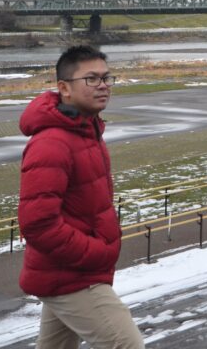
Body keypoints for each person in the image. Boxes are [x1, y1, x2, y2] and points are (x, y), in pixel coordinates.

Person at [18, 45, 144, 349]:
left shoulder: (85, 131)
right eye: (91, 79)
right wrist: (95, 253)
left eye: (106, 78)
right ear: (64, 88)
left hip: (65, 271)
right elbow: (37, 224)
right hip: (73, 275)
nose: (102, 85)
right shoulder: (53, 143)